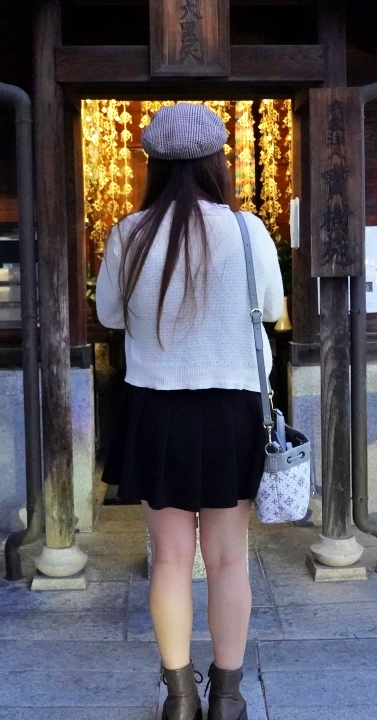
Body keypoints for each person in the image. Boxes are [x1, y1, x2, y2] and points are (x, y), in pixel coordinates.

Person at [96, 103, 282, 720]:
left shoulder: (129, 233)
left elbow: (108, 318)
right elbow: (273, 308)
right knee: (230, 558)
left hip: (156, 411)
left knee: (171, 560)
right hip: (233, 412)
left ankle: (179, 701)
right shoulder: (249, 230)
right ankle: (227, 699)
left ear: (152, 163)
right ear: (215, 162)